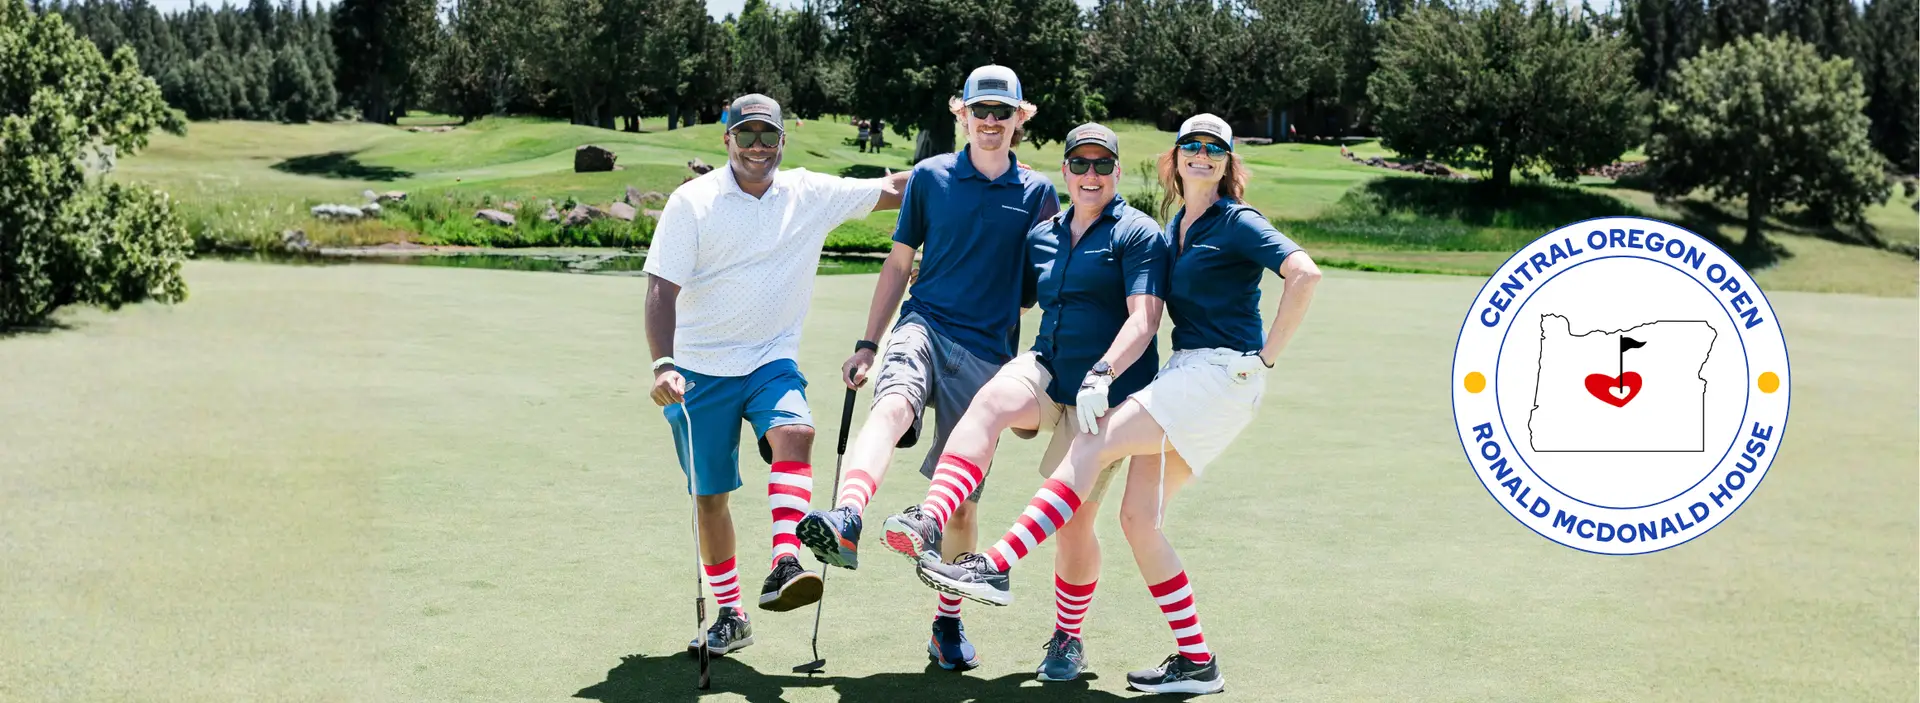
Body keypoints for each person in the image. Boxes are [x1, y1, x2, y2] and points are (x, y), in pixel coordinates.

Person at [915, 113, 1324, 696]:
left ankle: (997, 565)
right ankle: (1198, 661)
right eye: (1191, 146)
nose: (1202, 155)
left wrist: (1265, 359)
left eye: (1214, 148)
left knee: (1094, 440)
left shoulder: (1236, 220)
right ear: (1175, 158)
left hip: (1219, 372)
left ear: (1228, 161)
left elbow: (1304, 274)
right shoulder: (1180, 223)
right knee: (1139, 521)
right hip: (1188, 371)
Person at [877, 122, 1166, 683]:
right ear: (1065, 171)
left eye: (1101, 165)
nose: (1089, 175)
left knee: (1074, 523)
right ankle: (929, 519)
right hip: (1048, 369)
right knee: (989, 403)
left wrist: (1104, 372)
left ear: (1116, 171)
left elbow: (1145, 319)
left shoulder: (1138, 232)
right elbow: (1012, 294)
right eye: (1078, 164)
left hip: (1107, 396)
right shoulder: (1044, 235)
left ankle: (1068, 638)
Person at [794, 64, 1060, 671]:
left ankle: (947, 622)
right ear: (960, 113)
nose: (990, 121)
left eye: (1002, 112)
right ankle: (847, 517)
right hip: (923, 324)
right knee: (891, 405)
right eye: (979, 110)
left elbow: (1038, 289)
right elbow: (897, 264)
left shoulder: (1039, 193)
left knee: (961, 505)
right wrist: (868, 343)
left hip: (989, 355)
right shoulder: (930, 177)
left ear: (1020, 118)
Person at [645, 93, 910, 658]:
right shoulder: (692, 202)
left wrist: (975, 165)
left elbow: (894, 189)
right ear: (728, 140)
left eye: (768, 136)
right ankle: (732, 614)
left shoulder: (808, 192)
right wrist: (663, 364)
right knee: (710, 498)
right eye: (747, 135)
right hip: (697, 369)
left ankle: (785, 560)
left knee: (796, 431)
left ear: (783, 140)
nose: (758, 147)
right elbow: (660, 288)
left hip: (770, 358)